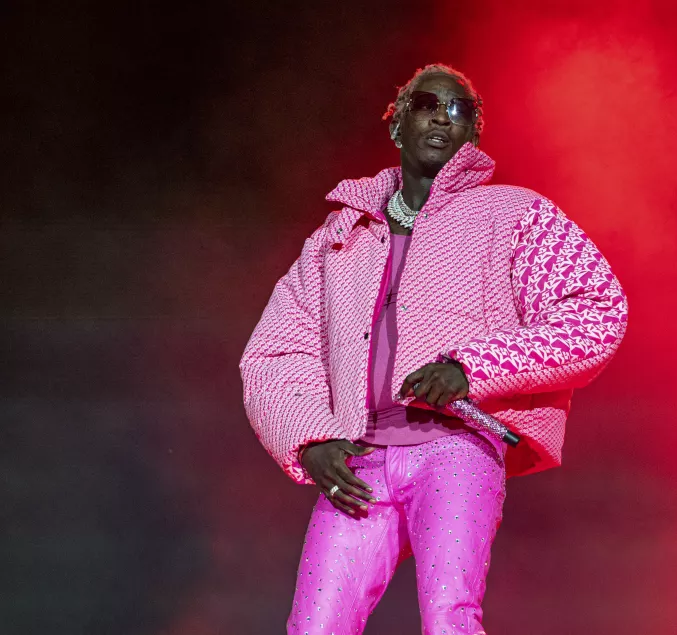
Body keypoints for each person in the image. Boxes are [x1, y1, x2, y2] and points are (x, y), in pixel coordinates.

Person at [240, 63, 628, 634]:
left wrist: (472, 369)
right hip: (358, 462)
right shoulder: (338, 234)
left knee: (449, 619)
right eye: (427, 104)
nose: (444, 117)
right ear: (397, 124)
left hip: (455, 450)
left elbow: (597, 311)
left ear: (474, 132)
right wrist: (310, 441)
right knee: (313, 627)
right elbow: (275, 351)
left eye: (461, 109)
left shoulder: (512, 214)